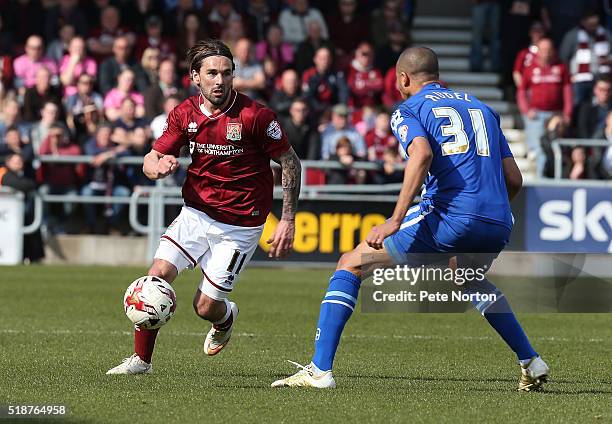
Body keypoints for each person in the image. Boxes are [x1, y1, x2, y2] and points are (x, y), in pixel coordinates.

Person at [272, 47, 549, 392]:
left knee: (350, 264)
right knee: (468, 279)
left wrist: (394, 218)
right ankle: (530, 361)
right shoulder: (484, 109)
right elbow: (515, 180)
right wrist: (488, 214)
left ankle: (319, 370)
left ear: (403, 79)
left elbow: (421, 152)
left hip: (450, 214)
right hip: (498, 219)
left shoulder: (409, 108)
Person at [106, 39, 302, 375]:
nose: (219, 80)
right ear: (195, 77)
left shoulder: (255, 116)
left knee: (204, 306)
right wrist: (156, 168)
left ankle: (225, 317)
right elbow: (151, 159)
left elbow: (290, 162)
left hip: (240, 224)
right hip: (196, 213)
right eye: (211, 73)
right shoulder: (184, 113)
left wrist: (287, 218)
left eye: (226, 73)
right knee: (155, 278)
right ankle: (141, 361)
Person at [517, 38, 572, 177]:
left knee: (556, 149)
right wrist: (526, 110)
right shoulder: (530, 68)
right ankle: (542, 181)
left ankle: (555, 179)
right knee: (540, 150)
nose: (546, 53)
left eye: (549, 50)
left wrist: (567, 113)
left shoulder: (561, 67)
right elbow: (522, 90)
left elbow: (567, 90)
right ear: (538, 51)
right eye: (543, 50)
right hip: (536, 115)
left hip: (555, 115)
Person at [559, 10, 612, 106]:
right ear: (583, 22)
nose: (593, 27)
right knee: (579, 106)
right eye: (590, 24)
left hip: (602, 78)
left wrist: (608, 60)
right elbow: (564, 57)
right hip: (580, 80)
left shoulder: (606, 34)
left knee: (602, 106)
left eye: (595, 24)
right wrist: (569, 75)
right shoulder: (572, 36)